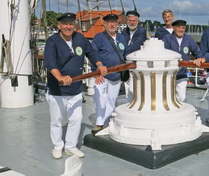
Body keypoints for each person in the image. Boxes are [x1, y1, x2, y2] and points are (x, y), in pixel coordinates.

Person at [44, 12, 107, 159]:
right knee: (57, 120)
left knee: (76, 119)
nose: (68, 26)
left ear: (75, 25)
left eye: (71, 24)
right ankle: (57, 146)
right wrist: (60, 77)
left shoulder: (80, 38)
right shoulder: (52, 41)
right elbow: (51, 63)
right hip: (57, 90)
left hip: (75, 89)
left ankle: (70, 146)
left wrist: (99, 64)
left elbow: (91, 53)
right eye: (65, 24)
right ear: (59, 26)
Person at [91, 14, 127, 134]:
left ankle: (106, 122)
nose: (112, 24)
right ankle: (99, 123)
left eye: (114, 22)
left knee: (112, 100)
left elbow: (124, 55)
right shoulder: (99, 38)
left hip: (116, 75)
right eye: (109, 22)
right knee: (100, 98)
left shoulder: (122, 38)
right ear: (104, 24)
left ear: (117, 24)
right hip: (102, 75)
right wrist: (97, 73)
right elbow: (93, 55)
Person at [163, 19, 204, 102]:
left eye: (183, 28)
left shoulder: (188, 39)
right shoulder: (167, 38)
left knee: (181, 97)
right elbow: (162, 53)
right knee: (166, 97)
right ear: (174, 28)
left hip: (182, 74)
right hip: (168, 74)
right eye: (179, 27)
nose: (181, 30)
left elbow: (197, 51)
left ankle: (176, 110)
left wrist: (199, 58)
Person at [121, 10, 147, 101]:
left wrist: (123, 52)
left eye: (134, 21)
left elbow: (135, 46)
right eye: (130, 21)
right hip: (125, 64)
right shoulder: (124, 31)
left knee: (134, 88)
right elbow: (120, 44)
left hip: (136, 63)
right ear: (127, 21)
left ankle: (134, 105)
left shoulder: (142, 31)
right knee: (127, 88)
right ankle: (129, 105)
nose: (132, 23)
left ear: (137, 21)